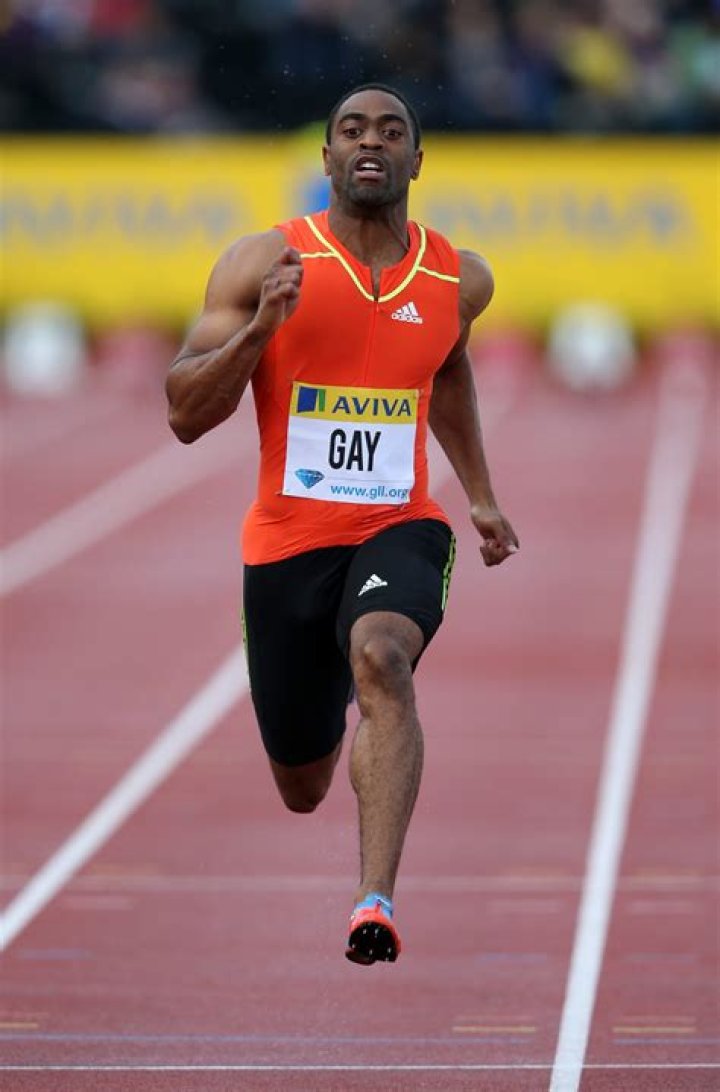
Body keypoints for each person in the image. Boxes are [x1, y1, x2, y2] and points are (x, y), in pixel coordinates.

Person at [166, 83, 518, 966]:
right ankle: (325, 709)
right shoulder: (261, 262)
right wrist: (260, 330)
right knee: (302, 784)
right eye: (352, 130)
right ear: (326, 157)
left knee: (383, 658)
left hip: (400, 524)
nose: (371, 142)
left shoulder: (458, 277)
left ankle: (374, 901)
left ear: (416, 161)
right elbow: (183, 413)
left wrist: (478, 493)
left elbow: (448, 369)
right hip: (286, 544)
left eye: (391, 132)